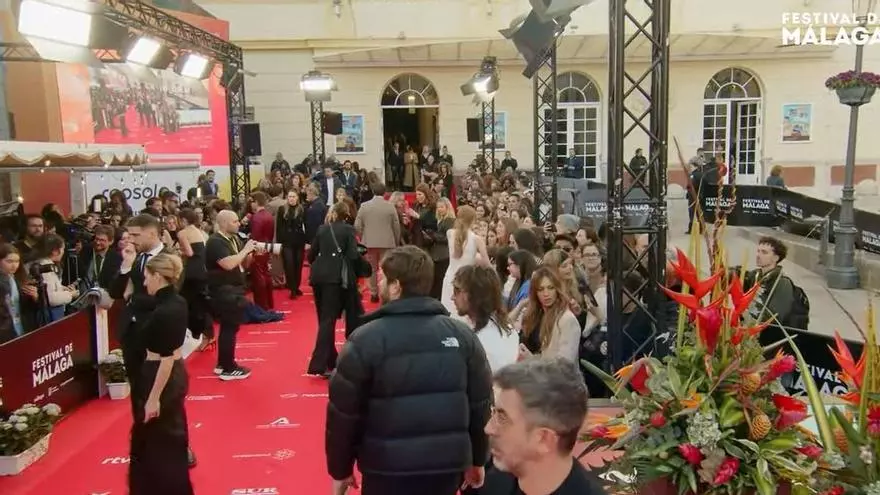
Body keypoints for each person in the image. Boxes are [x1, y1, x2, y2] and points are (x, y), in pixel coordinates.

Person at [326, 246, 493, 495]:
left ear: (396, 286)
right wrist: (478, 458)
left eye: (383, 277)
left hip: (386, 468)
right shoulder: (463, 336)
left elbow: (344, 414)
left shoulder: (364, 340)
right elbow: (480, 406)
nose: (379, 282)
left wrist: (340, 470)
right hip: (443, 466)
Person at [109, 214, 197, 468]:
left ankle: (180, 447)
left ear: (152, 233)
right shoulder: (131, 258)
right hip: (133, 337)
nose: (131, 240)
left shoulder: (172, 259)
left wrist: (133, 298)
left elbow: (165, 297)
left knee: (169, 399)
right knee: (139, 392)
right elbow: (116, 292)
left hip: (161, 337)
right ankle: (145, 445)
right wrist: (126, 267)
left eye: (135, 235)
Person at [480, 357, 607, 495]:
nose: (488, 428)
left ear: (543, 439)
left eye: (502, 418)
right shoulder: (494, 479)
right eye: (494, 412)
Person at [128, 253, 193, 495]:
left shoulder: (166, 311)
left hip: (160, 377)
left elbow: (165, 359)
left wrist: (154, 397)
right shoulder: (176, 302)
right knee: (165, 439)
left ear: (157, 276)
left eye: (146, 277)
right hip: (171, 374)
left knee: (160, 441)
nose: (145, 283)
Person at [306, 201, 362, 378]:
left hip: (318, 278)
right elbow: (353, 255)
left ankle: (328, 360)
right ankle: (320, 363)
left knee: (325, 320)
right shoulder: (348, 230)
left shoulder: (322, 230)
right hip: (337, 279)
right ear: (347, 215)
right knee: (333, 319)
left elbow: (310, 254)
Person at [206, 210, 257, 380]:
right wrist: (245, 251)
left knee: (230, 328)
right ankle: (229, 367)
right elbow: (228, 264)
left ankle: (222, 364)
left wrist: (250, 254)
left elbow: (242, 263)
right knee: (229, 328)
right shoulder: (215, 242)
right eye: (234, 221)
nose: (239, 224)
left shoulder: (234, 239)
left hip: (235, 288)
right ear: (224, 223)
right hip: (223, 290)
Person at [452, 265, 518, 373]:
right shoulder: (507, 329)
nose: (452, 297)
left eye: (457, 291)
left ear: (473, 295)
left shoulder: (480, 340)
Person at [354, 182, 401, 303]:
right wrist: (396, 240)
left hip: (369, 243)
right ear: (385, 193)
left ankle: (374, 293)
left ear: (372, 192)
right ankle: (386, 292)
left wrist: (363, 236)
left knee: (372, 269)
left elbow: (357, 226)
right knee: (386, 269)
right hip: (387, 242)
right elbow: (396, 226)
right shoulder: (390, 206)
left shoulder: (364, 206)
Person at [440, 205, 489, 319]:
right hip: (466, 281)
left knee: (448, 313)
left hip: (450, 277)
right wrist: (476, 258)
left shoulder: (450, 233)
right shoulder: (477, 239)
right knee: (463, 316)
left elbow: (459, 253)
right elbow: (486, 264)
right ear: (473, 220)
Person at [176, 209, 213, 351]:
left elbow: (189, 252)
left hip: (191, 272)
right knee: (200, 304)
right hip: (202, 270)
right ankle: (205, 335)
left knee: (187, 304)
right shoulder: (198, 231)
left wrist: (179, 251)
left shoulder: (182, 233)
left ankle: (196, 335)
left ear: (183, 220)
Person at [276, 190, 307, 299]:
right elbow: (278, 227)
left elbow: (306, 226)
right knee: (289, 265)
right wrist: (279, 243)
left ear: (297, 198)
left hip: (299, 241)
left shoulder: (302, 209)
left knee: (298, 265)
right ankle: (292, 289)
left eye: (293, 196)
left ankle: (296, 287)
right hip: (286, 242)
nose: (291, 199)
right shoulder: (282, 209)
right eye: (289, 196)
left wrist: (307, 241)